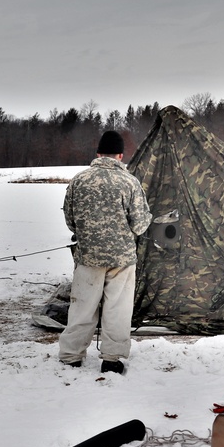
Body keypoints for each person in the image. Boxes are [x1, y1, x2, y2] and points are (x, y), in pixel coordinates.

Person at [58, 131, 152, 374]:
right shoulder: (130, 182)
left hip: (88, 256)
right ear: (120, 155)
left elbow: (70, 221)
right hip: (121, 259)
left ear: (98, 153)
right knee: (118, 308)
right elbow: (140, 225)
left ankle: (71, 356)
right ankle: (112, 359)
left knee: (82, 306)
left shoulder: (79, 180)